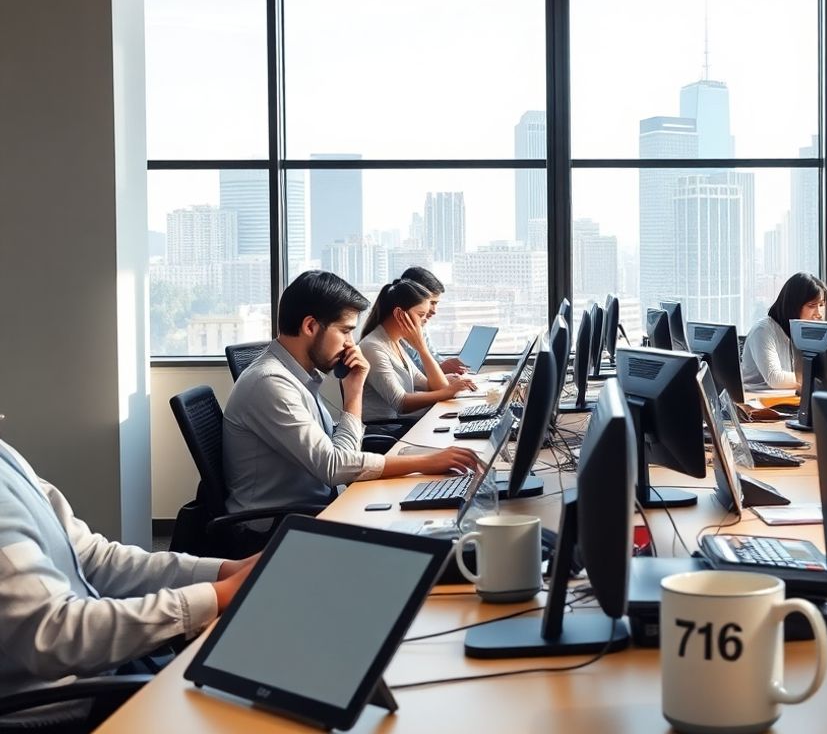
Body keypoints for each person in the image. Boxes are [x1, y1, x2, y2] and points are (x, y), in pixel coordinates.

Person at [0, 437, 256, 698]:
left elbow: (93, 558)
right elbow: (53, 637)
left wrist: (225, 572)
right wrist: (215, 595)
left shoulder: (5, 454)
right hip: (63, 706)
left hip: (103, 673)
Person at [223, 271, 479, 515]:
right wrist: (426, 462)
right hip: (282, 524)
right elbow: (334, 467)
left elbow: (341, 457)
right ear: (310, 326)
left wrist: (354, 389)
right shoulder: (271, 383)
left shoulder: (300, 377)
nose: (350, 344)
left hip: (325, 503)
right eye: (345, 331)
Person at [358, 279, 475, 425]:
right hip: (385, 429)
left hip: (401, 424)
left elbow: (435, 386)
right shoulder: (372, 347)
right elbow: (400, 403)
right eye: (421, 315)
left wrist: (423, 349)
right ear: (399, 314)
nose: (424, 320)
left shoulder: (395, 343)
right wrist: (449, 391)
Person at [740, 272, 827, 390]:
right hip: (758, 402)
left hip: (790, 398)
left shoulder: (806, 331)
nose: (818, 314)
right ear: (793, 305)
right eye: (812, 305)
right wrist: (818, 378)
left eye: (821, 305)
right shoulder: (763, 330)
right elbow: (775, 378)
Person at [400, 267, 468, 375]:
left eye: (436, 303)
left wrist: (446, 365)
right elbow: (413, 379)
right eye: (431, 303)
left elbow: (433, 356)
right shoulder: (393, 337)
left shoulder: (421, 329)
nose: (434, 311)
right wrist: (440, 369)